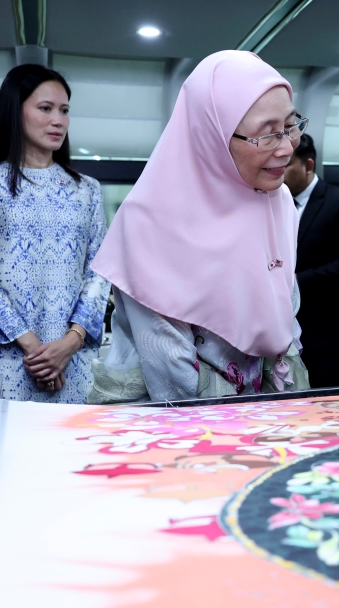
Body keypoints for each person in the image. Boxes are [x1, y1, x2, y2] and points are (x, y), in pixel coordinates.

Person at [89, 51, 307, 403]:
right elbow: (170, 368)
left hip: (262, 410)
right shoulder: (150, 220)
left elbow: (286, 313)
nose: (286, 148)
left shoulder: (277, 201)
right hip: (177, 419)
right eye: (267, 135)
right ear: (212, 135)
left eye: (290, 126)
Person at [0, 64, 109, 403]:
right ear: (14, 109)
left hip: (73, 360)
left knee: (72, 452)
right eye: (46, 108)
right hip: (6, 357)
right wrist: (38, 351)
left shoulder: (87, 190)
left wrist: (70, 343)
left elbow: (98, 273)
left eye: (65, 110)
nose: (59, 120)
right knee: (5, 453)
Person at [286, 134, 339, 388]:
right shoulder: (274, 204)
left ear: (308, 165)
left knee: (328, 403)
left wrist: (298, 281)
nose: (278, 171)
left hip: (331, 330)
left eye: (286, 163)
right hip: (288, 330)